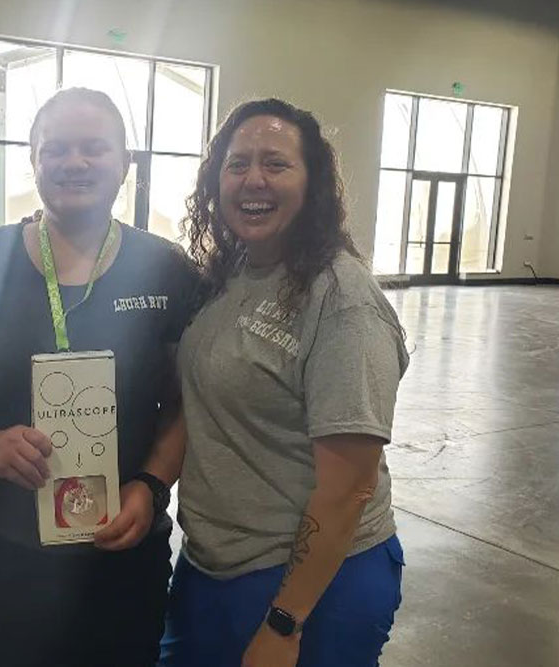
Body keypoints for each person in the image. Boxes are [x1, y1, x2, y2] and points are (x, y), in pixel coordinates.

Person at [0, 87, 199, 667]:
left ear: (125, 164)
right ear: (33, 160)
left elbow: (186, 403)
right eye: (55, 148)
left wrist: (152, 485)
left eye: (94, 148)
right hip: (1, 542)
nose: (74, 162)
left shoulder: (167, 267)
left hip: (122, 536)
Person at [160, 98, 410, 667]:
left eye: (275, 163)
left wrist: (284, 621)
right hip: (212, 563)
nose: (254, 179)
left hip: (313, 584)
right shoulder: (232, 271)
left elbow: (348, 486)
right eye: (237, 163)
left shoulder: (342, 300)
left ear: (313, 182)